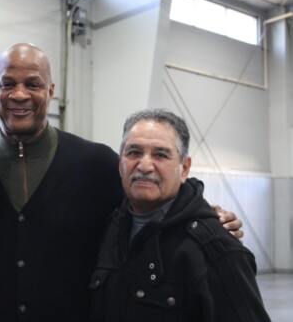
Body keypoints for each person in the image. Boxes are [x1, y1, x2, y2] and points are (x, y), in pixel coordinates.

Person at [0, 43, 243, 322]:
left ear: (51, 91)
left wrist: (205, 217)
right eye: (7, 84)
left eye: (33, 84)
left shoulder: (95, 163)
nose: (19, 94)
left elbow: (147, 206)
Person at [89, 108, 270, 321]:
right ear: (121, 165)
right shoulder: (109, 228)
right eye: (134, 152)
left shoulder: (216, 249)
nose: (145, 165)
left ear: (184, 168)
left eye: (160, 154)